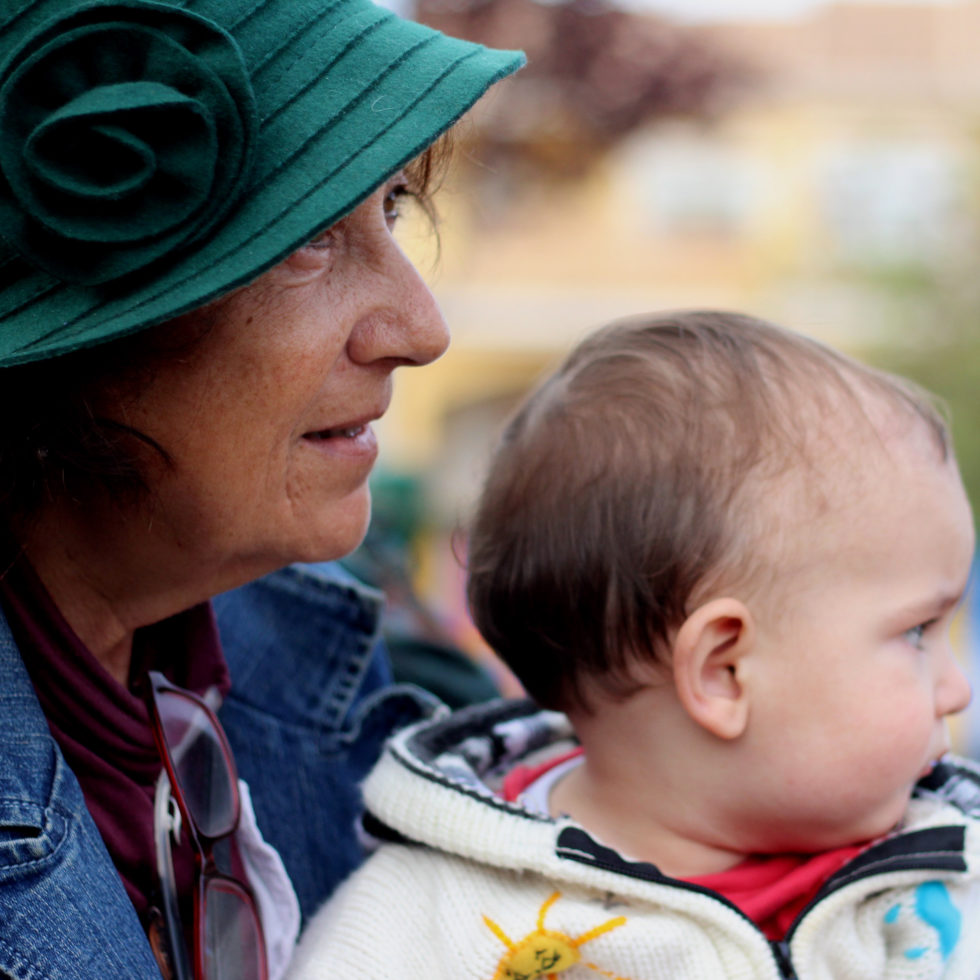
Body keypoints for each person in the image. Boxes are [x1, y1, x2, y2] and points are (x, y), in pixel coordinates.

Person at [0, 0, 523, 977]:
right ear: (73, 340)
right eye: (307, 237)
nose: (419, 330)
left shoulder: (317, 662)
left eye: (391, 209)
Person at [287, 310, 980, 980]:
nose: (958, 690)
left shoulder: (951, 887)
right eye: (916, 632)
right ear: (724, 671)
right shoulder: (425, 927)